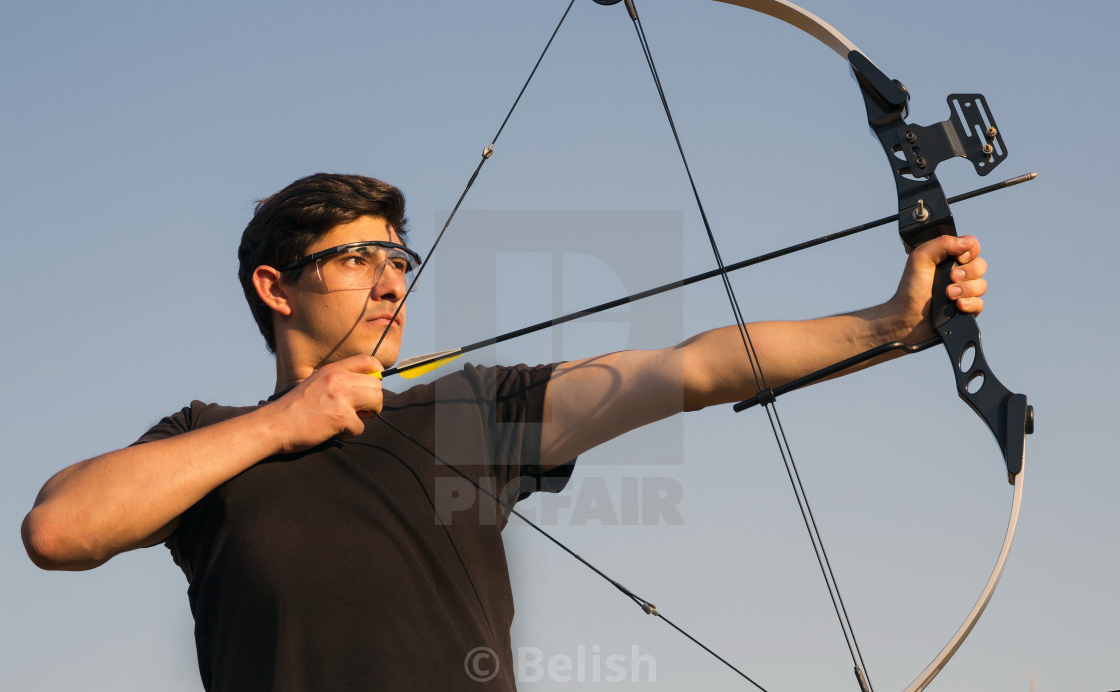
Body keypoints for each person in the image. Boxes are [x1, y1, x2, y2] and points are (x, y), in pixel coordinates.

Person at [21, 173, 989, 690]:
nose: (392, 281)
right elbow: (62, 531)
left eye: (397, 258)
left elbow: (693, 368)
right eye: (356, 258)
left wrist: (889, 323)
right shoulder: (204, 442)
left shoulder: (466, 414)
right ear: (274, 287)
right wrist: (282, 423)